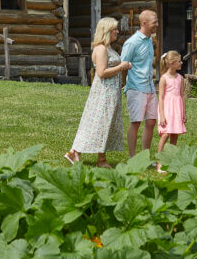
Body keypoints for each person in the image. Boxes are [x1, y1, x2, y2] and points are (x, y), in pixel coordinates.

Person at [66, 17, 132, 168]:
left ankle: (100, 159)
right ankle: (75, 151)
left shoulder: (109, 48)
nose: (117, 31)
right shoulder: (101, 49)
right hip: (104, 92)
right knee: (97, 123)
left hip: (111, 92)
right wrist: (121, 67)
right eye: (114, 29)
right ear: (107, 31)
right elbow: (101, 73)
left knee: (105, 124)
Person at [120, 9, 159, 157]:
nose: (156, 24)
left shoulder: (149, 39)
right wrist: (126, 86)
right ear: (144, 23)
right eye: (154, 22)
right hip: (136, 88)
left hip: (149, 87)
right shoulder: (132, 42)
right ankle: (132, 158)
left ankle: (145, 157)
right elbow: (123, 64)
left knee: (151, 122)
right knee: (136, 122)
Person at [156, 50, 186, 173]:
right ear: (172, 63)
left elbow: (182, 95)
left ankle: (171, 162)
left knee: (174, 136)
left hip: (177, 109)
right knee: (165, 134)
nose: (181, 63)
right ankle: (159, 162)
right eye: (179, 61)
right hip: (167, 108)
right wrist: (162, 115)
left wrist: (184, 113)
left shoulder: (180, 78)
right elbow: (161, 97)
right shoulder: (164, 78)